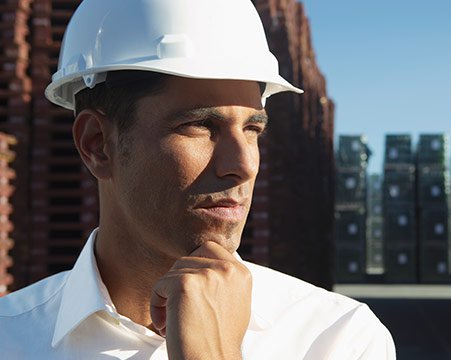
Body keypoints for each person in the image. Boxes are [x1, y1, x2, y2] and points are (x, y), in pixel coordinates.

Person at [0, 0, 395, 359]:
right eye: (200, 125)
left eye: (253, 130)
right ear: (97, 144)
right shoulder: (11, 339)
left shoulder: (335, 340)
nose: (243, 164)